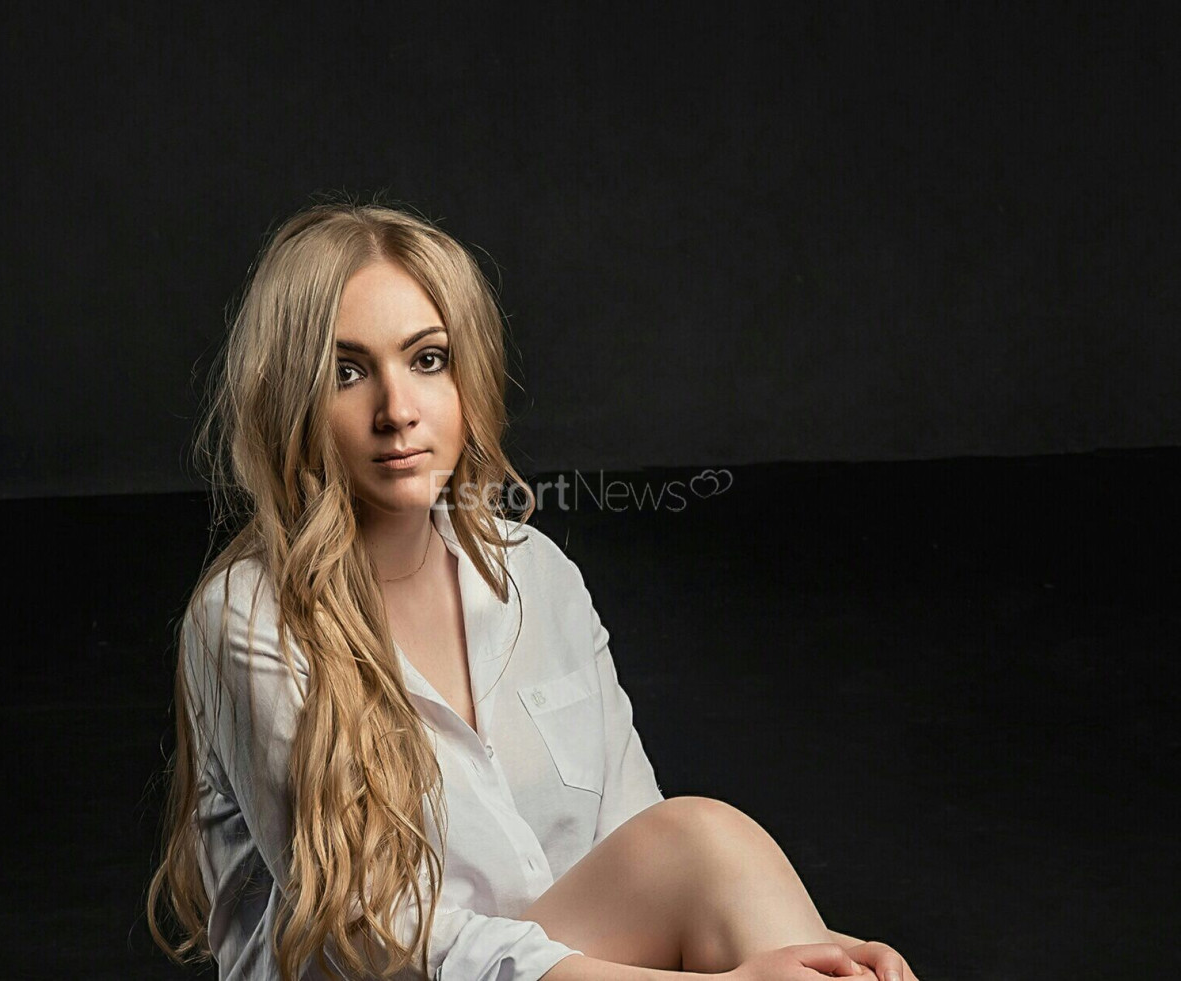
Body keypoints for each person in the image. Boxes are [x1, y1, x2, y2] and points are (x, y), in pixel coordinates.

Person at [148, 201, 920, 981]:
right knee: (707, 849)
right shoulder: (247, 615)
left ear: (468, 375)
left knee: (711, 850)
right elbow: (375, 939)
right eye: (347, 372)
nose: (397, 411)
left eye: (427, 360)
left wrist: (798, 957)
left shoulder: (535, 573)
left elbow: (640, 843)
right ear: (289, 397)